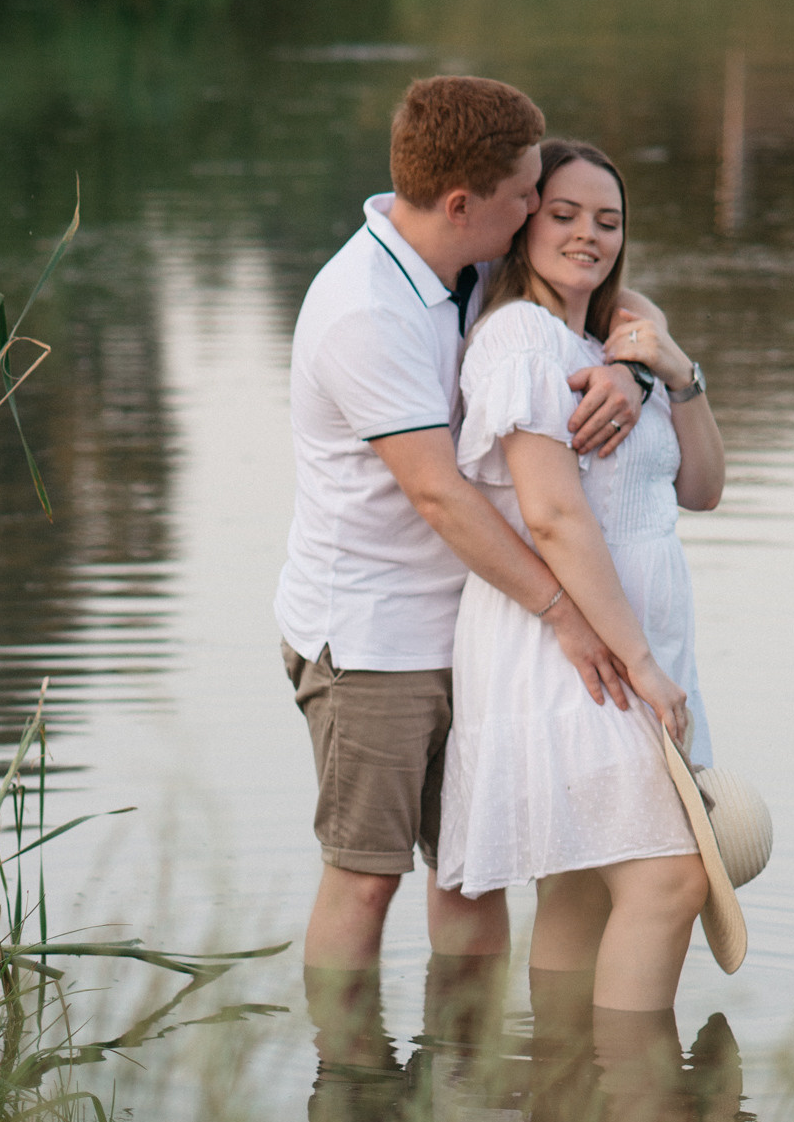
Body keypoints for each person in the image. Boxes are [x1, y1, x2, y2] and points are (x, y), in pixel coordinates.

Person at [275, 75, 649, 987]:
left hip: (477, 623)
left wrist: (632, 371)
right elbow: (439, 495)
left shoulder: (469, 265)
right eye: (524, 195)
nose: (535, 211)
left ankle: (467, 1069)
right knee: (367, 879)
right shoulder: (364, 309)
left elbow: (621, 303)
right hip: (373, 637)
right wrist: (566, 615)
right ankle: (349, 1068)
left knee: (472, 874)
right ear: (461, 204)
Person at [434, 140, 729, 1017]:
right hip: (573, 653)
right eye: (563, 214)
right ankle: (634, 1090)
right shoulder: (522, 337)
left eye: (608, 221)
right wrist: (640, 664)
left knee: (582, 886)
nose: (587, 236)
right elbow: (554, 514)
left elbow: (703, 488)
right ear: (524, 222)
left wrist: (676, 373)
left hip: (630, 645)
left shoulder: (610, 348)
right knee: (672, 879)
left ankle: (563, 1085)